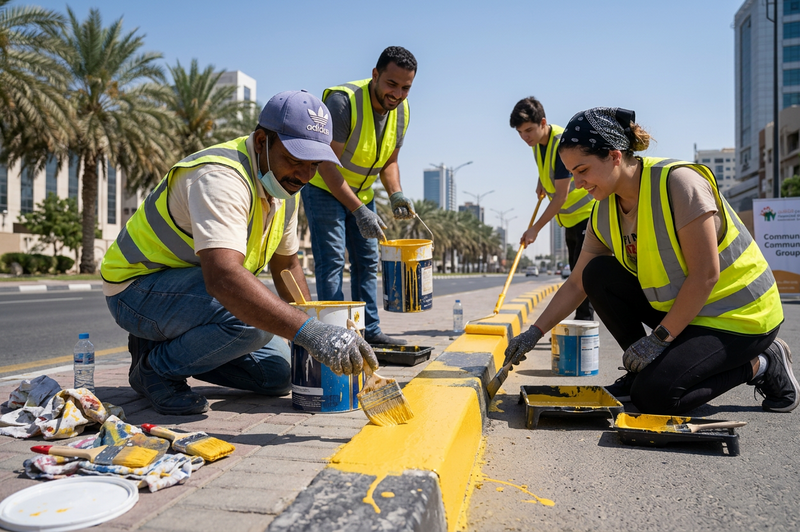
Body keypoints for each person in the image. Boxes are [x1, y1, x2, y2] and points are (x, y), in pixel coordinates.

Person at [100, 90, 379, 416]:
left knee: (278, 375)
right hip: (136, 291)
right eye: (295, 160)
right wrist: (310, 332)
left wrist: (309, 340)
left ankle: (168, 347)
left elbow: (287, 267)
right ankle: (155, 370)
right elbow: (224, 279)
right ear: (261, 141)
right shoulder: (221, 177)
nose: (305, 176)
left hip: (191, 295)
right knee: (251, 319)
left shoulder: (284, 188)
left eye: (314, 165)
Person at [503, 107, 796, 414]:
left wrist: (658, 339)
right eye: (572, 173)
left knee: (655, 397)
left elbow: (705, 275)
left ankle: (763, 362)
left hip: (740, 316)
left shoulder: (679, 184)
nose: (578, 184)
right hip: (689, 312)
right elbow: (577, 283)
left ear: (614, 156)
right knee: (596, 273)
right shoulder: (603, 211)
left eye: (583, 170)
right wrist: (534, 333)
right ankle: (640, 372)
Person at [302, 46, 417, 346]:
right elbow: (326, 164)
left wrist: (396, 194)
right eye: (391, 84)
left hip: (363, 194)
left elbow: (390, 161)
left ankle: (369, 331)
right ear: (375, 75)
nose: (397, 94)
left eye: (405, 88)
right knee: (332, 260)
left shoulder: (402, 111)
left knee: (367, 262)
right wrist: (358, 210)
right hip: (325, 188)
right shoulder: (343, 102)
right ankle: (334, 336)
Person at [510, 97, 594, 320]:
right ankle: (581, 321)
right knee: (575, 272)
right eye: (520, 132)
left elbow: (561, 197)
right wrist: (541, 180)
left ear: (543, 122)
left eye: (529, 130)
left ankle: (584, 325)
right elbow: (549, 168)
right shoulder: (537, 143)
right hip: (570, 219)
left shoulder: (561, 144)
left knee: (581, 276)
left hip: (586, 215)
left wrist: (534, 229)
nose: (525, 137)